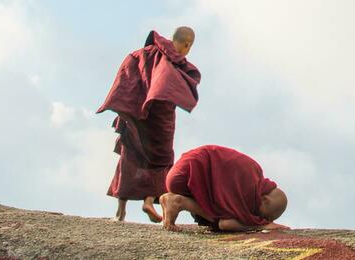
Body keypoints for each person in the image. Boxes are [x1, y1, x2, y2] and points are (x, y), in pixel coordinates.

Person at [97, 27, 200, 222]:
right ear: (187, 45)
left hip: (134, 113)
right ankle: (149, 200)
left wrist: (126, 105)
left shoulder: (141, 54)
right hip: (159, 119)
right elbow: (169, 86)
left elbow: (125, 75)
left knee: (129, 156)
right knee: (161, 160)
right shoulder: (174, 62)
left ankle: (120, 212)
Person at [160, 145, 289, 232]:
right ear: (265, 200)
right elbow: (226, 223)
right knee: (223, 218)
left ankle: (174, 200)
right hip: (187, 177)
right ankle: (179, 201)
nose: (261, 217)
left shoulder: (255, 172)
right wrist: (262, 225)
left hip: (178, 172)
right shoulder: (250, 189)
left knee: (221, 212)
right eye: (267, 215)